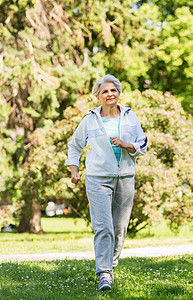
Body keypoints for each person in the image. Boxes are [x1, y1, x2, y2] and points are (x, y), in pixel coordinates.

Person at [65, 74, 148, 291]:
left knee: (119, 228)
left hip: (126, 177)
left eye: (113, 90)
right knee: (103, 227)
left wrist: (128, 145)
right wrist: (74, 170)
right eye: (105, 91)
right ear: (98, 96)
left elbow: (143, 144)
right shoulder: (90, 120)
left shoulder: (130, 117)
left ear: (118, 93)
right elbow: (74, 146)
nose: (110, 94)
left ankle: (110, 266)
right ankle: (104, 273)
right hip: (97, 178)